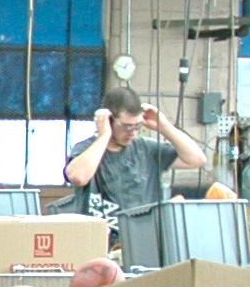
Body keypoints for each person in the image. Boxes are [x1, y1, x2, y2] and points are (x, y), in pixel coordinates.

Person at [63, 83, 205, 227]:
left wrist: (164, 126)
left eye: (137, 126)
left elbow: (196, 159)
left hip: (143, 237)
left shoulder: (146, 149)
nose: (133, 132)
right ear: (109, 120)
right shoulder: (87, 149)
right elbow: (78, 177)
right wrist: (104, 135)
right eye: (127, 126)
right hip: (102, 240)